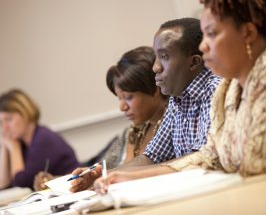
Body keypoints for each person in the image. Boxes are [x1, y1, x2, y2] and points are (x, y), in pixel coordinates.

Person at [92, 0, 266, 193]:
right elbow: (208, 156)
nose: (203, 46)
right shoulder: (229, 86)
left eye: (212, 34)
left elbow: (258, 167)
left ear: (247, 33)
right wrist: (120, 177)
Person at [70, 18, 220, 192]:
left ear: (193, 62)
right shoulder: (177, 100)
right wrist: (102, 175)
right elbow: (151, 157)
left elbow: (201, 160)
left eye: (164, 57)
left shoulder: (216, 91)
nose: (156, 67)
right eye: (156, 56)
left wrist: (126, 176)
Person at [34, 46, 169, 191]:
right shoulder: (130, 134)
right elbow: (98, 170)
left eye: (129, 97)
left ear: (154, 88)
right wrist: (57, 180)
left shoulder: (172, 125)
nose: (122, 107)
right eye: (119, 98)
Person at [0, 89, 79, 190]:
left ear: (25, 112)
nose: (5, 127)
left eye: (9, 119)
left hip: (74, 192)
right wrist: (4, 147)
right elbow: (3, 184)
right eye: (1, 122)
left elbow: (21, 184)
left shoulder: (43, 139)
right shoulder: (23, 143)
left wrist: (13, 148)